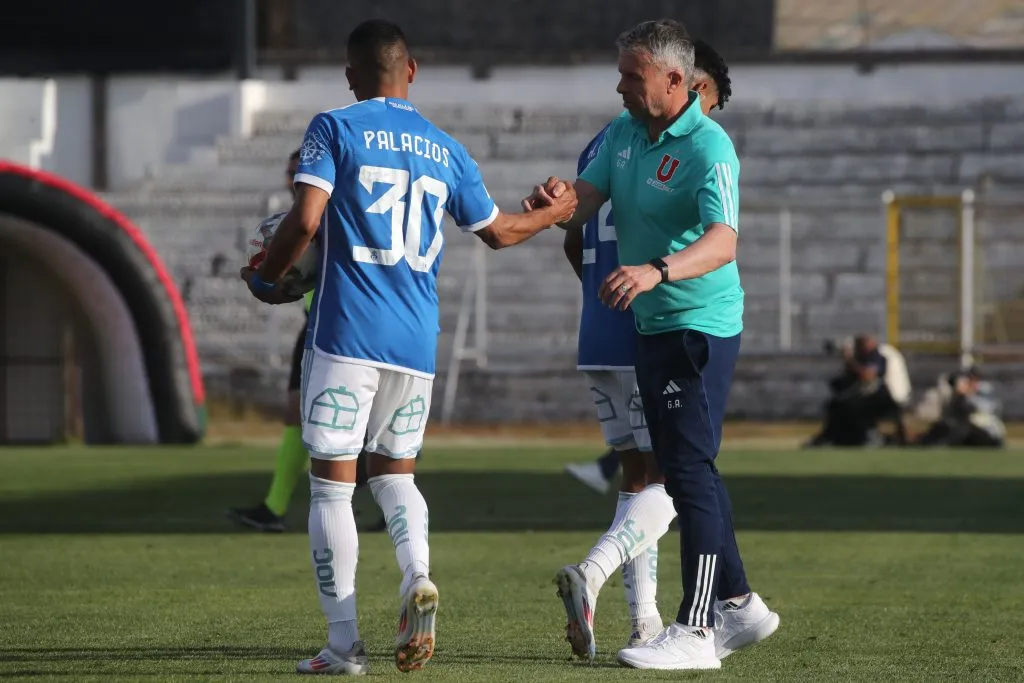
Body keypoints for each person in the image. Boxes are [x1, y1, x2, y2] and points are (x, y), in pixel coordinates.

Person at [240, 19, 576, 675]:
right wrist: (553, 214)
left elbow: (306, 219)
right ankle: (416, 572)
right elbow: (502, 232)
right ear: (411, 71)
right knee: (396, 475)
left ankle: (343, 645)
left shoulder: (334, 127)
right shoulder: (445, 147)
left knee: (333, 489)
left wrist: (264, 276)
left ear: (349, 74)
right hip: (416, 340)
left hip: (346, 335)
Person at [528, 19, 777, 670]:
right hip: (651, 327)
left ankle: (697, 629)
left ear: (675, 80)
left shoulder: (710, 147)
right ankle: (742, 603)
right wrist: (559, 200)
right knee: (688, 464)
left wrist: (656, 270)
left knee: (687, 470)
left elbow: (724, 240)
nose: (619, 87)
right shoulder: (623, 135)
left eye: (631, 76)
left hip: (700, 325)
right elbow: (587, 201)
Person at [564, 38, 734, 497]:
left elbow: (572, 233)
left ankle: (631, 571)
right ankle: (596, 568)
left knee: (635, 478)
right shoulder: (675, 145)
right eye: (707, 103)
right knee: (671, 473)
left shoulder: (602, 142)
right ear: (688, 84)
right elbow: (721, 240)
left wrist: (599, 287)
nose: (704, 117)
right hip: (648, 326)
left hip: (598, 329)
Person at [226, 151, 388, 534]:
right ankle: (274, 507)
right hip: (315, 323)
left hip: (343, 326)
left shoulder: (329, 216)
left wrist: (269, 279)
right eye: (287, 173)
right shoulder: (302, 217)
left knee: (355, 420)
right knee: (297, 412)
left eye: (296, 172)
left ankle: (376, 492)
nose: (289, 179)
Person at [805, 334, 905, 447]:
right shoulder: (869, 356)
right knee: (837, 404)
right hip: (875, 396)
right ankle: (835, 437)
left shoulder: (879, 354)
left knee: (850, 406)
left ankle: (870, 435)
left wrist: (850, 360)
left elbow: (867, 375)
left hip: (887, 398)